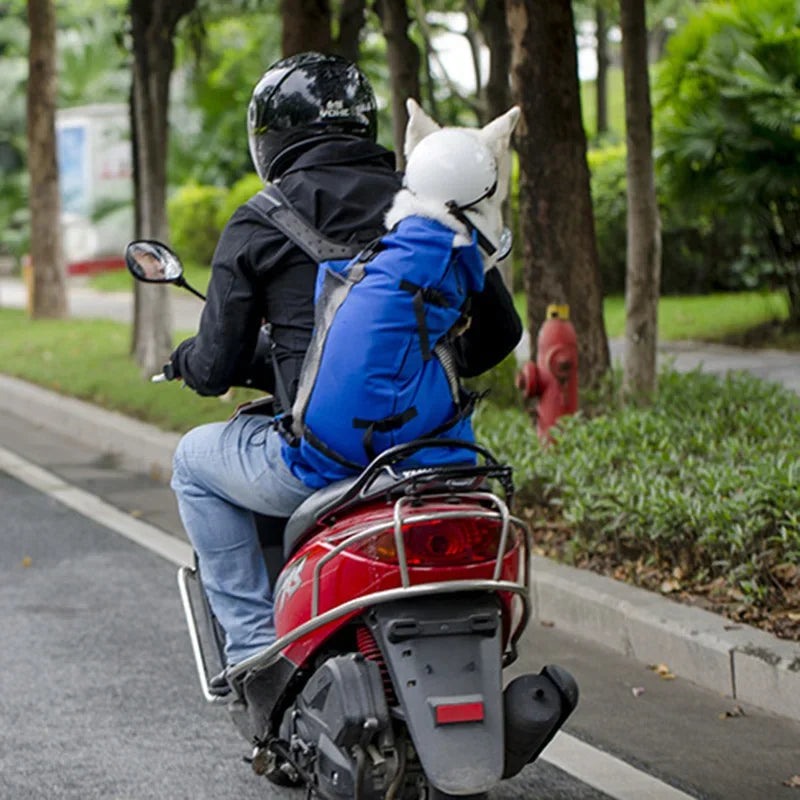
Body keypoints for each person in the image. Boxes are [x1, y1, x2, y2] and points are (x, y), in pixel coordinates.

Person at [168, 52, 522, 679]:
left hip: (323, 461)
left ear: (269, 137)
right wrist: (412, 367)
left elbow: (215, 365)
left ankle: (253, 648)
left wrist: (185, 363)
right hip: (431, 454)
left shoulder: (260, 218)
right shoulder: (434, 208)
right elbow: (499, 335)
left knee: (194, 460)